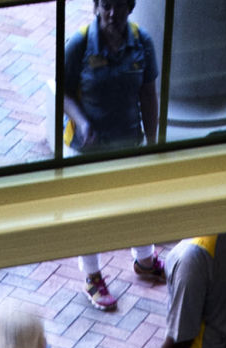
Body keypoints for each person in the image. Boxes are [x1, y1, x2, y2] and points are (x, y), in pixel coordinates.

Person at [62, 0, 164, 312]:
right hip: (88, 147)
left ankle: (144, 260)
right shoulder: (78, 44)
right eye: (105, 5)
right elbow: (63, 93)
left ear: (131, 6)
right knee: (91, 212)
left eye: (118, 6)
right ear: (95, 6)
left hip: (128, 142)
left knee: (136, 204)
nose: (111, 13)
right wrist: (82, 123)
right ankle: (92, 276)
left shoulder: (142, 41)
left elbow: (148, 93)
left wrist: (152, 140)